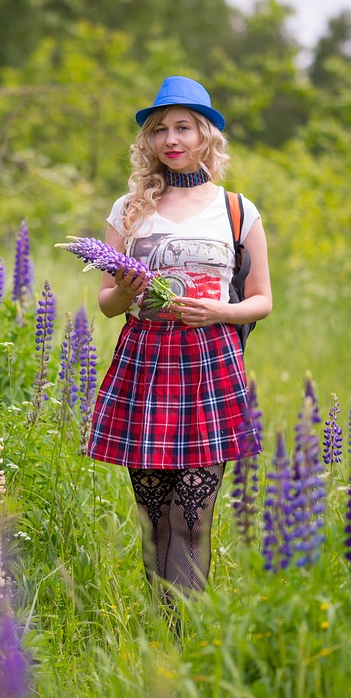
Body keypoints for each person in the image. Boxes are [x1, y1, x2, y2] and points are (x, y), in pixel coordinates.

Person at [88, 75, 272, 609]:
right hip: (145, 363)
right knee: (155, 519)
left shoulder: (238, 209)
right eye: (160, 129)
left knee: (191, 517)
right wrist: (124, 290)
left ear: (207, 134)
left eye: (183, 128)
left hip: (211, 364)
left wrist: (220, 310)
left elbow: (261, 299)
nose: (171, 139)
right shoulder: (129, 208)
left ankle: (188, 640)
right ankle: (161, 639)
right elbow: (105, 303)